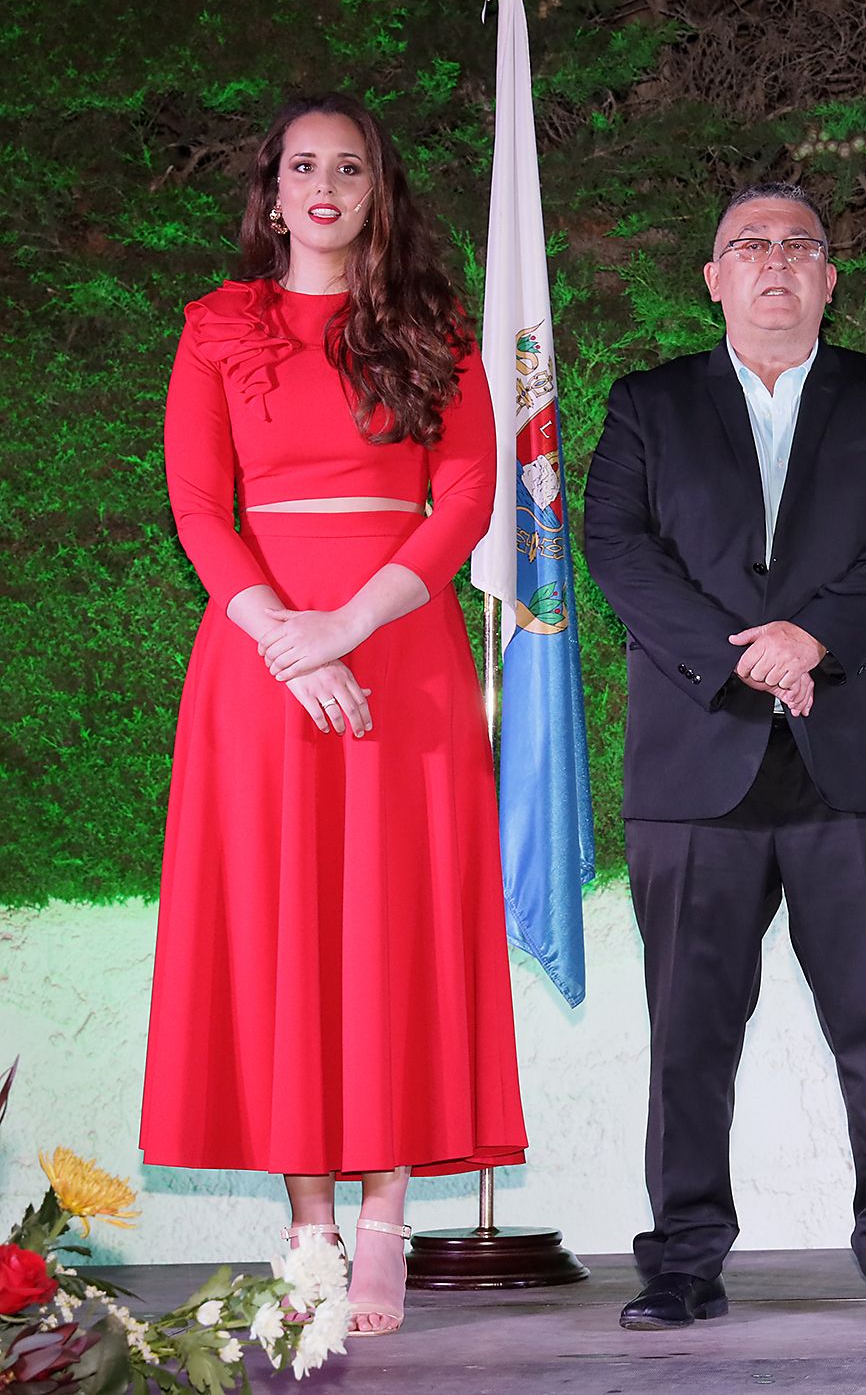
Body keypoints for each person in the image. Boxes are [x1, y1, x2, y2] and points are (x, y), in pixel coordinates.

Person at [140, 94, 528, 1336]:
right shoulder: (216, 325)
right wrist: (283, 637)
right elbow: (200, 506)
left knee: (393, 926)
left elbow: (467, 493)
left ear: (377, 190)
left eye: (346, 167)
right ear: (268, 191)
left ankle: (381, 1223)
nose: (321, 185)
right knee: (284, 931)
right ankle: (305, 1222)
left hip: (395, 650)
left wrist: (345, 629)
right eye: (300, 165)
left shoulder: (433, 325)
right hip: (257, 659)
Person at [583, 182, 866, 1330]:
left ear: (831, 278)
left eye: (799, 245)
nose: (775, 262)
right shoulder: (647, 405)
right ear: (713, 277)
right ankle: (683, 1264)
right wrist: (742, 656)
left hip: (853, 760)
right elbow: (616, 547)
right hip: (697, 767)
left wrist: (813, 639)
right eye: (748, 244)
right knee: (689, 1035)